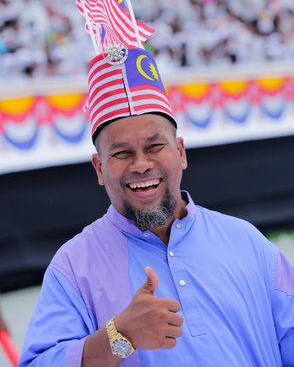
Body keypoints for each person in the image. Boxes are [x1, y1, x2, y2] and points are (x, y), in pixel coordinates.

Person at [18, 43, 294, 367]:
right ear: (99, 169)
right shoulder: (74, 268)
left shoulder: (246, 241)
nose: (141, 164)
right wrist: (118, 336)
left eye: (155, 146)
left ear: (181, 152)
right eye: (121, 153)